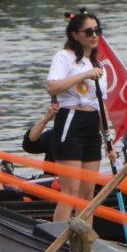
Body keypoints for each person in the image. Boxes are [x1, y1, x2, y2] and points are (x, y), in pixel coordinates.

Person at [46, 11, 108, 222]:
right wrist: (83, 75)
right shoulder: (64, 57)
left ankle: (84, 246)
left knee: (87, 195)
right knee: (70, 193)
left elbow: (101, 104)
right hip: (70, 119)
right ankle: (58, 243)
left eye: (98, 30)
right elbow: (52, 87)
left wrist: (109, 140)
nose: (94, 35)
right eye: (89, 31)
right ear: (75, 34)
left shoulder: (99, 66)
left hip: (92, 124)